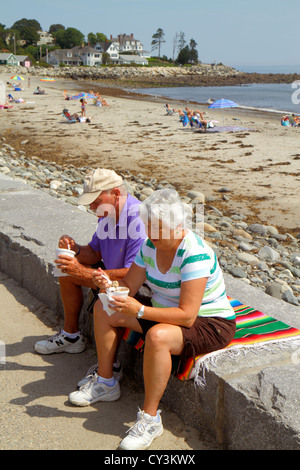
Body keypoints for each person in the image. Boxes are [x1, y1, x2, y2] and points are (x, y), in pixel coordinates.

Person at [68, 188, 236, 450]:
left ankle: (149, 419)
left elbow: (187, 316)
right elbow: (128, 286)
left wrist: (140, 311)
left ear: (177, 226)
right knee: (105, 308)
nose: (150, 235)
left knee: (158, 336)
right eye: (148, 227)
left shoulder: (195, 253)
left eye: (157, 229)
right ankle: (106, 382)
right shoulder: (150, 245)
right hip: (163, 311)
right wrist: (108, 284)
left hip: (209, 322)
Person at [34, 169, 147, 358]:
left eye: (96, 201)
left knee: (107, 292)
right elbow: (94, 253)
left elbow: (131, 274)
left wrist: (84, 273)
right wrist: (75, 249)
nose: (93, 209)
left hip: (139, 287)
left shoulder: (138, 219)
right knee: (66, 269)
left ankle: (111, 368)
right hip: (115, 276)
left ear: (116, 194)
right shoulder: (107, 214)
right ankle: (71, 337)